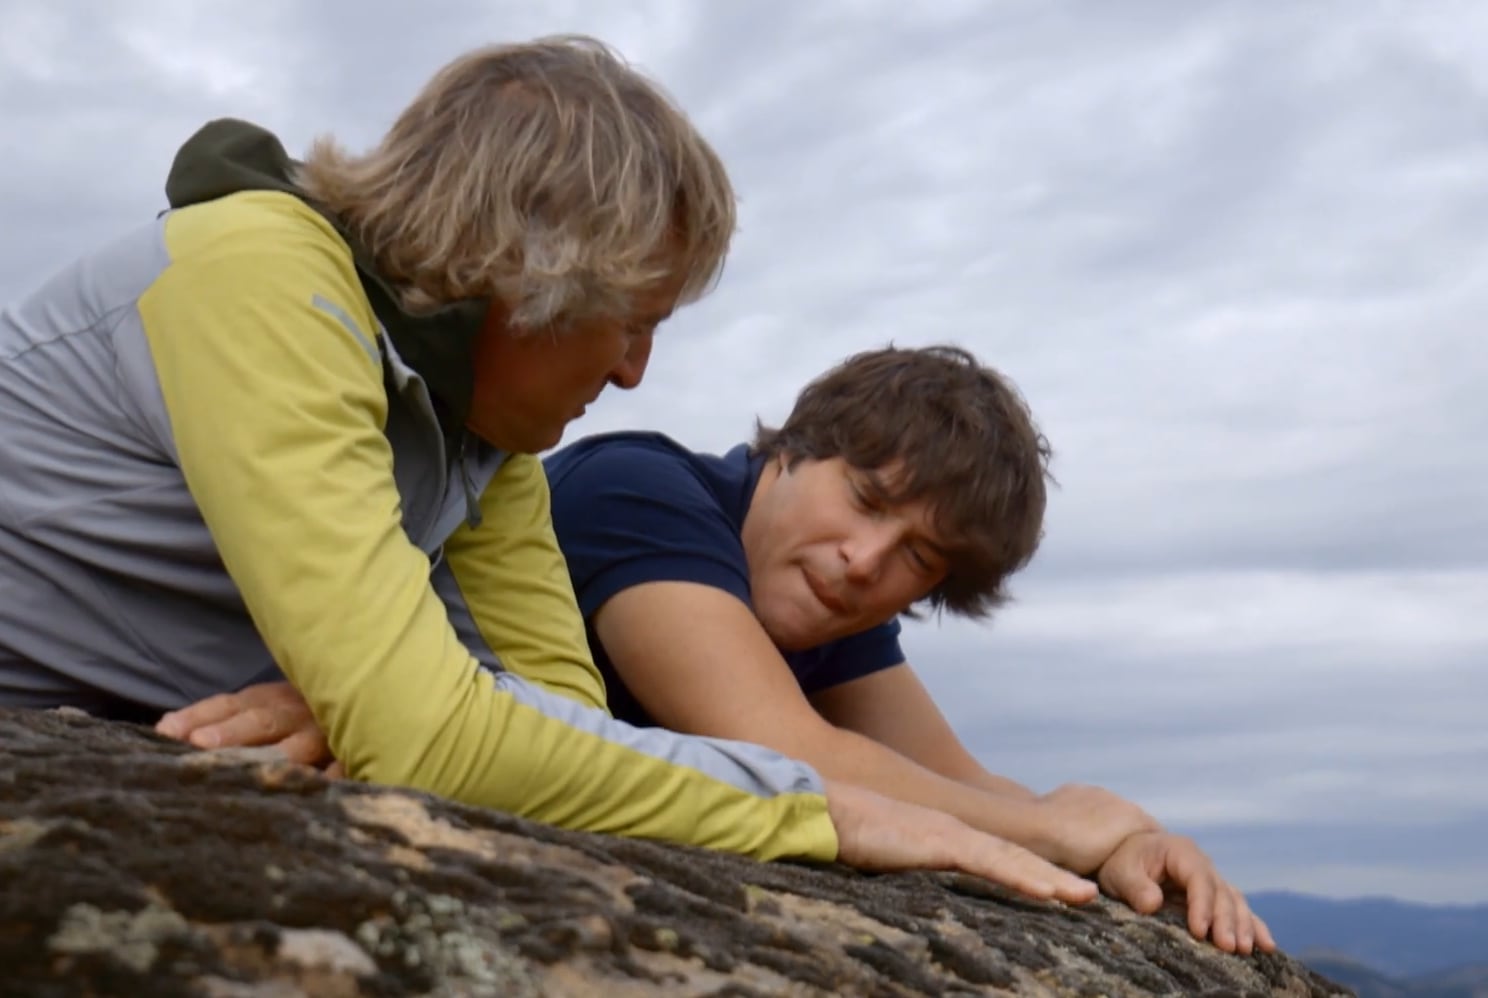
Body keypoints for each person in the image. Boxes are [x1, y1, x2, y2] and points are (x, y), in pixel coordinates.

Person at [0, 36, 1106, 901]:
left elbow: (550, 714)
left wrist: (369, 706)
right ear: (525, 268)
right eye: (632, 320)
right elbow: (437, 734)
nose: (634, 371)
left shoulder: (490, 440)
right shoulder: (258, 279)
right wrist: (827, 812)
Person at [166, 346, 1275, 954]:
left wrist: (1128, 844)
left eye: (918, 559)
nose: (862, 562)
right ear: (788, 449)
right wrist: (1058, 823)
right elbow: (781, 746)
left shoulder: (828, 614)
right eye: (864, 498)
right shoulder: (638, 488)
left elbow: (958, 790)